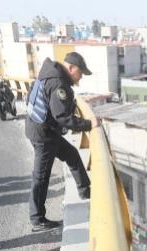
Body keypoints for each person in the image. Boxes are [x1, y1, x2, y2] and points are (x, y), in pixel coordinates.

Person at [24, 52, 99, 231]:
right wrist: (89, 124)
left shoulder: (49, 74)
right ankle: (37, 219)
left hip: (42, 129)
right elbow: (63, 117)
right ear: (71, 68)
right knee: (41, 176)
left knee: (72, 155)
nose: (80, 78)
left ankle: (85, 191)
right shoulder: (58, 83)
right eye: (80, 73)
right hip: (44, 135)